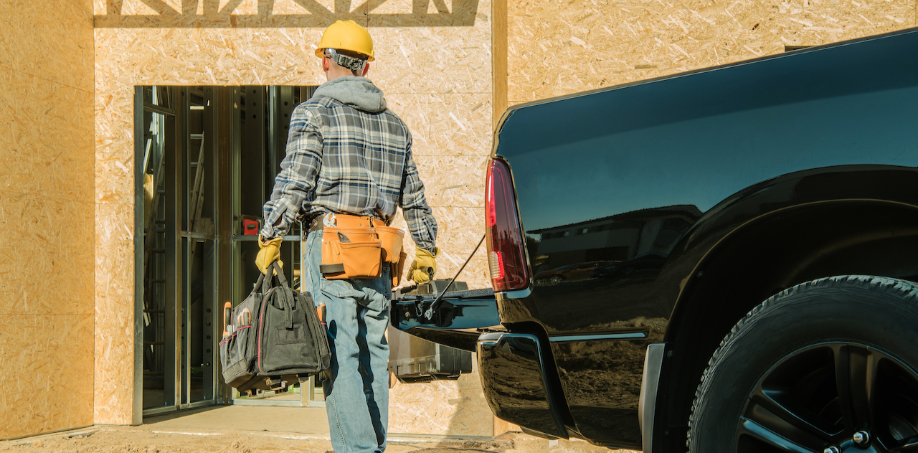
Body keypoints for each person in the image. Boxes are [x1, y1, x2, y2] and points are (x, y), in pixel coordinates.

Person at [255, 20, 439, 453]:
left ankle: (359, 451)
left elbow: (294, 182)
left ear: (325, 59)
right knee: (374, 354)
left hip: (333, 251)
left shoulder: (312, 114)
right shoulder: (396, 126)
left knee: (338, 358)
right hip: (378, 256)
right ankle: (372, 445)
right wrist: (426, 248)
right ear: (366, 65)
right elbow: (414, 195)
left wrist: (271, 236)